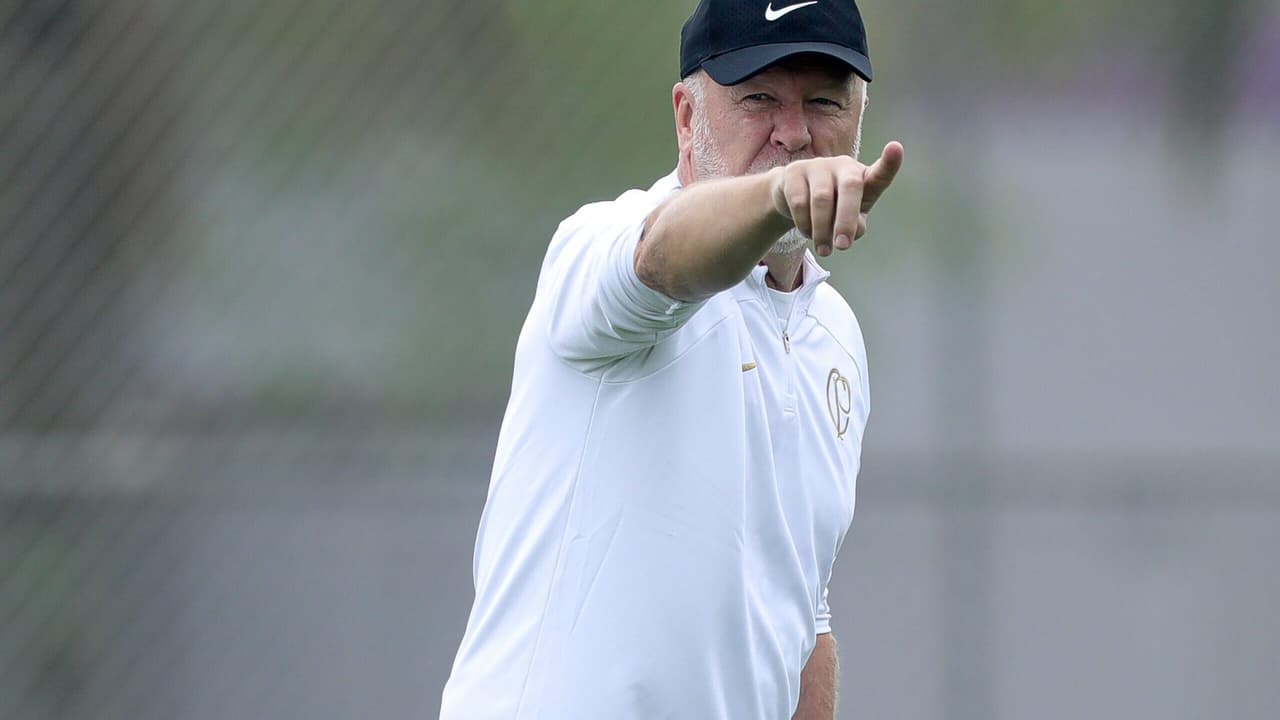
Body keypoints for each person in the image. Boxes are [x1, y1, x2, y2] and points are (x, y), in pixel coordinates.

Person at [440, 0, 903, 717]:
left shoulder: (835, 334)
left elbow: (801, 619)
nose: (795, 133)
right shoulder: (602, 246)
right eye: (758, 98)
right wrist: (773, 196)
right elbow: (661, 258)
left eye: (823, 101)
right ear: (687, 118)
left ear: (860, 116)